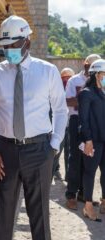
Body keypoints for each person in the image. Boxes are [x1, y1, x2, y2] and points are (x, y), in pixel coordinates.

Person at [0, 15, 68, 240]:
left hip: (39, 150)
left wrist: (53, 147)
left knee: (39, 218)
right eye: (5, 46)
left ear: (27, 43)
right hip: (5, 152)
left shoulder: (48, 71)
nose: (9, 50)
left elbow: (61, 111)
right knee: (3, 216)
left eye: (14, 45)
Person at [65, 54, 101, 210]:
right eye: (89, 65)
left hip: (93, 124)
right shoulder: (74, 81)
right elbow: (68, 101)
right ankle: (71, 194)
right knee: (75, 157)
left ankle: (84, 194)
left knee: (90, 160)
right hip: (76, 122)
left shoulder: (100, 84)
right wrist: (86, 102)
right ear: (85, 64)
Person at [78, 59, 105, 222]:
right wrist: (87, 140)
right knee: (90, 172)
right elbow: (83, 119)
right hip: (93, 141)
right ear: (96, 74)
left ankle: (104, 201)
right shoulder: (86, 93)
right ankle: (88, 206)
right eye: (104, 74)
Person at [52, 67, 75, 180]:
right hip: (59, 127)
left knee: (69, 153)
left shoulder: (74, 88)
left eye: (68, 77)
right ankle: (53, 171)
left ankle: (68, 176)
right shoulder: (56, 89)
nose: (66, 80)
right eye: (63, 77)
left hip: (71, 126)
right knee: (56, 152)